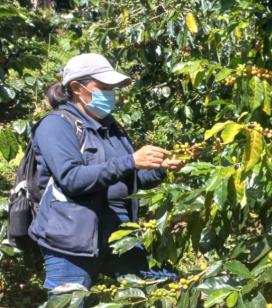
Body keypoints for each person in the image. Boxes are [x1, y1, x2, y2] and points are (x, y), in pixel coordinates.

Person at [28, 53, 183, 294]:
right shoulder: (56, 125)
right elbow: (72, 179)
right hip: (71, 240)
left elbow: (129, 181)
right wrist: (131, 160)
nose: (111, 92)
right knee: (70, 301)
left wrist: (161, 170)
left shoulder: (111, 127)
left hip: (119, 233)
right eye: (103, 87)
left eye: (112, 87)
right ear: (77, 88)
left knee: (152, 291)